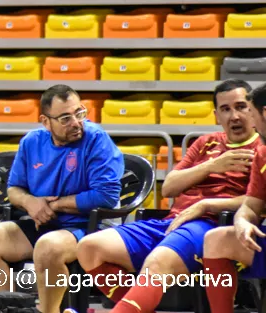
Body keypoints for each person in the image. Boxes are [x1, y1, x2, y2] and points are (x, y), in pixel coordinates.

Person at [75, 79, 258, 313]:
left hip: (212, 227)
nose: (234, 116)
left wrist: (205, 205)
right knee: (89, 248)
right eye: (225, 109)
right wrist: (211, 166)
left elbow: (258, 201)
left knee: (156, 263)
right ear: (216, 115)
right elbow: (169, 187)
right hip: (172, 222)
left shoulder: (260, 148)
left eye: (241, 106)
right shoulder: (204, 143)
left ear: (252, 108)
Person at [0, 84, 125, 313]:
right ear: (46, 122)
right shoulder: (31, 142)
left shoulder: (96, 139)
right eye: (65, 118)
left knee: (47, 247)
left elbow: (106, 196)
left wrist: (53, 205)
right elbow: (14, 189)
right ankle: (8, 309)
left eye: (79, 113)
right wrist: (30, 202)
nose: (75, 123)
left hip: (89, 226)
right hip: (42, 222)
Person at [202, 82, 266, 313]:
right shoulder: (262, 153)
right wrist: (241, 222)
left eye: (248, 110)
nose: (244, 118)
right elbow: (251, 205)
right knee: (216, 239)